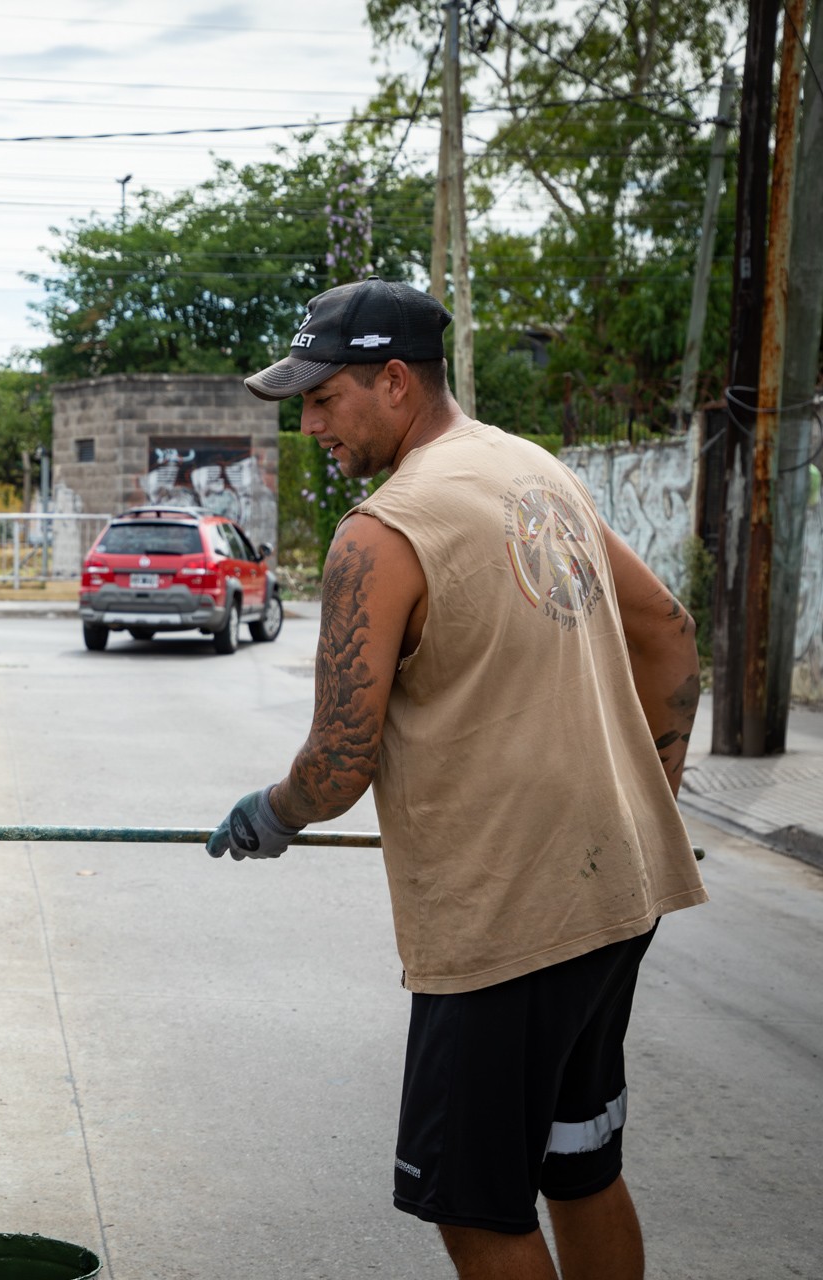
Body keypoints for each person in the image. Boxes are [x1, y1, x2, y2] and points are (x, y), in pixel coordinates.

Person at [208, 279, 706, 1280]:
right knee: (579, 1164)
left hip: (506, 922)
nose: (308, 423)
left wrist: (273, 811)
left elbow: (339, 764)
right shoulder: (533, 470)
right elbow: (668, 629)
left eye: (322, 397)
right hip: (619, 888)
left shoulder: (380, 532)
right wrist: (651, 791)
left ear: (394, 381)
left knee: (473, 1206)